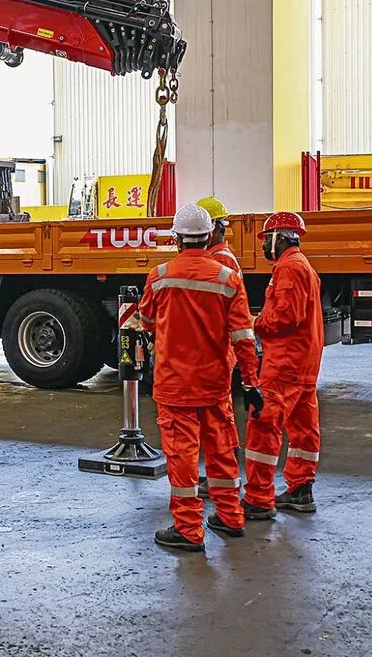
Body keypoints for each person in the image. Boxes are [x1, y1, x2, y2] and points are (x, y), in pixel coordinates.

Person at [137, 203, 262, 552]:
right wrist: (251, 381)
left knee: (182, 455)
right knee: (222, 450)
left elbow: (146, 320)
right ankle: (230, 515)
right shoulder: (227, 277)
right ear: (209, 237)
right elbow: (243, 335)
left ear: (177, 239)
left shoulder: (159, 276)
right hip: (215, 381)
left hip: (174, 383)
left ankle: (189, 530)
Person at [242, 211, 325, 519]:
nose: (264, 246)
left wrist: (255, 323)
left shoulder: (289, 268)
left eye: (266, 240)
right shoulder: (302, 267)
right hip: (304, 363)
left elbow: (284, 318)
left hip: (284, 364)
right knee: (303, 427)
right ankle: (301, 490)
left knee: (264, 425)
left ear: (280, 238)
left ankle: (258, 499)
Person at [195, 196, 242, 499]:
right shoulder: (223, 257)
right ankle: (222, 472)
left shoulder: (220, 261)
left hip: (217, 350)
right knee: (219, 416)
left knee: (217, 418)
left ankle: (221, 477)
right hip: (219, 349)